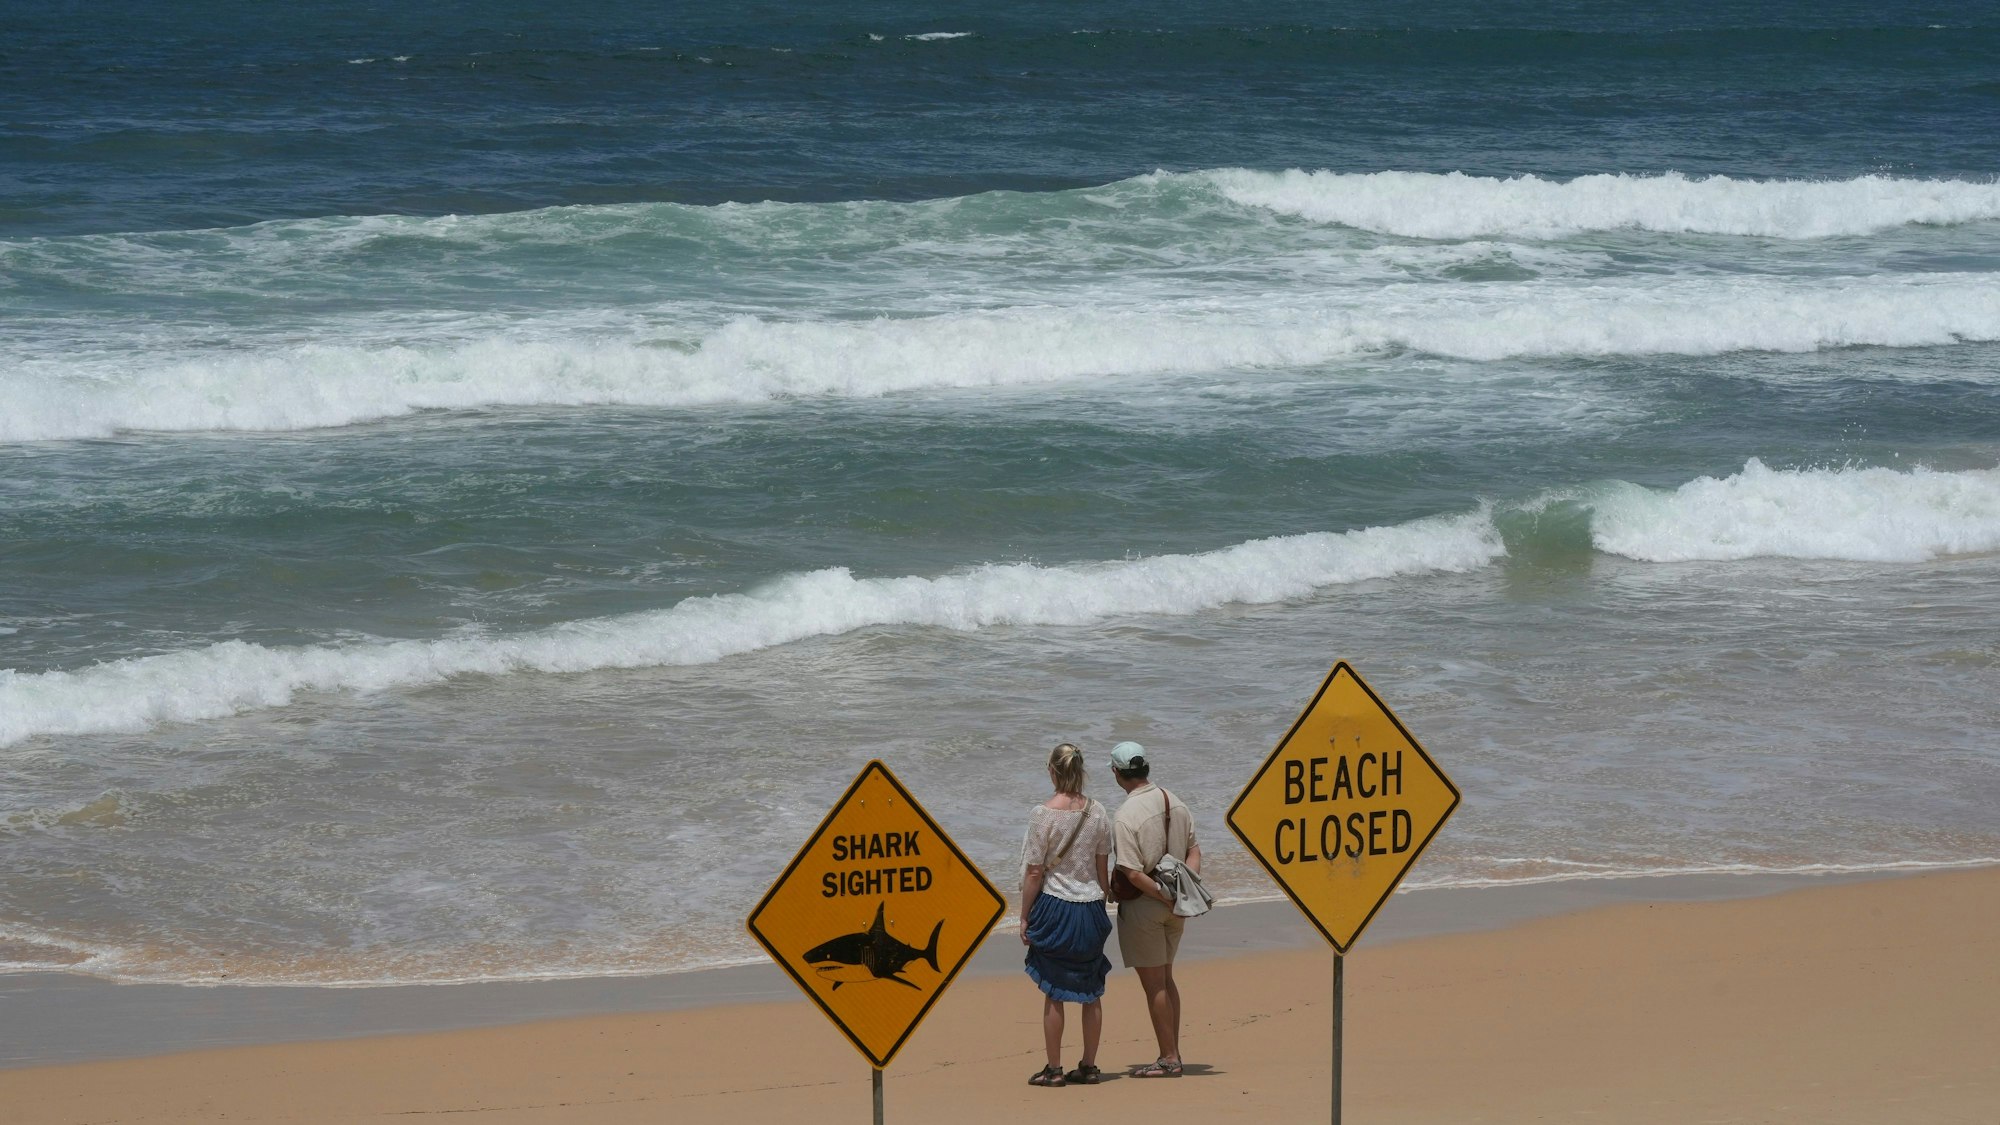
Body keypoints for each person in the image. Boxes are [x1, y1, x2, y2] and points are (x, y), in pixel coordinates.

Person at [1018, 742, 1114, 1087]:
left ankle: (1054, 1069)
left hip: (1056, 907)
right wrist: (1104, 901)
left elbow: (1033, 873)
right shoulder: (1099, 812)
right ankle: (1089, 1066)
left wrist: (1025, 915)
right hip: (1090, 908)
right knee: (1092, 990)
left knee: (1054, 991)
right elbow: (1103, 868)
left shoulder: (1042, 814)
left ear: (1052, 771)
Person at [1109, 740, 1200, 1078]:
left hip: (1147, 907)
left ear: (1116, 774)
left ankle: (1169, 1058)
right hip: (1176, 906)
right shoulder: (1173, 800)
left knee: (1155, 985)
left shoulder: (1125, 815)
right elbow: (1194, 850)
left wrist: (1164, 896)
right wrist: (1183, 892)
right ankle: (1173, 1052)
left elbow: (1131, 872)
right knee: (1167, 978)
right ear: (1145, 767)